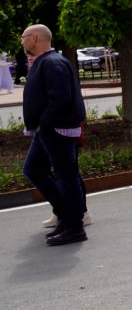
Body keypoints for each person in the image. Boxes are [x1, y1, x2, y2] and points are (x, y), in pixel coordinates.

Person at [20, 25, 88, 246]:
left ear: (34, 38)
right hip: (49, 130)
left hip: (56, 130)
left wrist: (45, 122)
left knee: (66, 177)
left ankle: (74, 227)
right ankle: (66, 217)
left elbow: (61, 98)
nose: (22, 42)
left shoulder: (52, 62)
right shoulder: (47, 61)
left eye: (23, 37)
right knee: (34, 169)